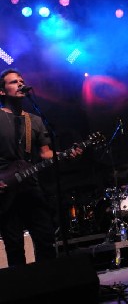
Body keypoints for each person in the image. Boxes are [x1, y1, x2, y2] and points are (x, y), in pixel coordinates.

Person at [0, 68, 83, 267]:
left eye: (21, 80)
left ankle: (49, 285)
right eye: (13, 82)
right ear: (2, 91)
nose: (20, 83)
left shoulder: (34, 120)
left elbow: (45, 153)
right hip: (4, 188)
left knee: (45, 238)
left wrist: (66, 155)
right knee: (14, 244)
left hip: (30, 186)